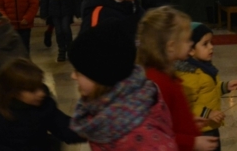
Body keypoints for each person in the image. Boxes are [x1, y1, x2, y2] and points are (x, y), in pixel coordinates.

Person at [68, 18, 178, 151]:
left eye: (78, 72)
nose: (72, 76)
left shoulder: (143, 137)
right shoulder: (99, 108)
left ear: (102, 76)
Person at [0, 58, 86, 150]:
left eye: (40, 86)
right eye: (32, 90)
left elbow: (64, 127)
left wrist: (90, 129)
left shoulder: (44, 106)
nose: (41, 93)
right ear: (13, 92)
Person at [137, 6, 220, 151]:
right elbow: (156, 134)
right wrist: (192, 143)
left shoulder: (165, 75)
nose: (190, 43)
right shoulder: (157, 83)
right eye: (187, 40)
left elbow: (167, 118)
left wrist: (189, 122)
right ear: (171, 46)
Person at [175, 23, 237, 151]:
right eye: (205, 44)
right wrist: (208, 113)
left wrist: (226, 86)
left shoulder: (205, 68)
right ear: (191, 50)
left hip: (211, 125)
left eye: (211, 42)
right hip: (201, 129)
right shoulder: (189, 75)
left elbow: (210, 90)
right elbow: (187, 104)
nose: (211, 47)